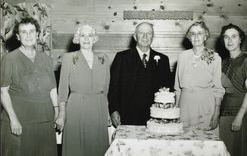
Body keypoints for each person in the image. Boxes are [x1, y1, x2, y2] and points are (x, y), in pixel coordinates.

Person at [0, 17, 58, 156]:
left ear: (37, 34)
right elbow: (3, 91)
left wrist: (56, 111)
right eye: (24, 32)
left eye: (32, 31)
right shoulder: (9, 59)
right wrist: (13, 119)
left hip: (45, 119)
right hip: (20, 119)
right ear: (18, 36)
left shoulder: (45, 58)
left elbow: (52, 88)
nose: (28, 35)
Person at [56, 25, 110, 156]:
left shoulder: (103, 58)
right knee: (76, 147)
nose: (86, 39)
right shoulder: (69, 58)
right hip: (76, 107)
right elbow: (62, 89)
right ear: (77, 39)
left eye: (89, 35)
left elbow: (106, 89)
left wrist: (107, 112)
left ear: (94, 39)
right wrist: (61, 114)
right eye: (83, 35)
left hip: (98, 107)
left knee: (96, 146)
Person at [108, 22, 172, 127]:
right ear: (135, 36)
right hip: (128, 115)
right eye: (141, 33)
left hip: (156, 118)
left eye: (149, 33)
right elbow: (113, 88)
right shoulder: (122, 58)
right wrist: (113, 110)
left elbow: (167, 89)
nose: (145, 37)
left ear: (153, 36)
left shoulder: (163, 60)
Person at [174, 21, 225, 132]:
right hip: (185, 107)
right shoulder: (183, 56)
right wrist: (176, 111)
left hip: (205, 107)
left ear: (205, 35)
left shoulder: (214, 57)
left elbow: (218, 89)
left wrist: (216, 113)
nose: (196, 37)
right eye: (192, 33)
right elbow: (177, 89)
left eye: (200, 33)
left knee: (206, 145)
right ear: (189, 37)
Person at [219, 23, 247, 156]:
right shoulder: (224, 62)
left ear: (240, 39)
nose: (229, 40)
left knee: (238, 151)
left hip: (240, 113)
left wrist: (240, 116)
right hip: (224, 113)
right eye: (226, 37)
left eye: (234, 36)